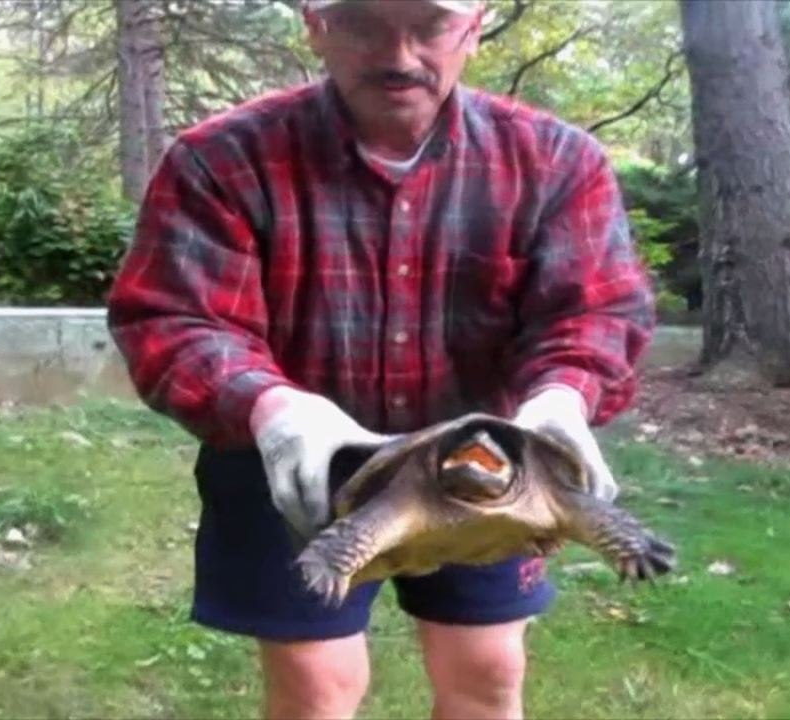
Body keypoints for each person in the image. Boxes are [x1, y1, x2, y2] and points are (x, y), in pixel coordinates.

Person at [104, 0, 655, 717]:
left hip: (482, 461)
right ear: (314, 25)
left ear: (474, 27)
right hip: (291, 453)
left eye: (429, 25)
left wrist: (561, 397)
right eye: (361, 22)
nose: (398, 55)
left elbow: (592, 312)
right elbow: (175, 317)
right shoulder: (223, 159)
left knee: (488, 672)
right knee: (317, 687)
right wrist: (268, 403)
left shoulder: (556, 161)